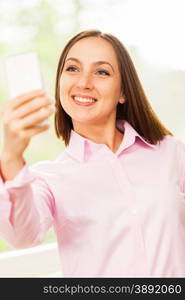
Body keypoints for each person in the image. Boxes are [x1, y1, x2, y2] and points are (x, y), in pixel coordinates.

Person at [0, 29, 185, 278]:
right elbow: (22, 236)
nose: (84, 82)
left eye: (102, 72)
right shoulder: (48, 179)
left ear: (123, 92)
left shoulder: (171, 152)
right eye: (73, 69)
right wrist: (10, 158)